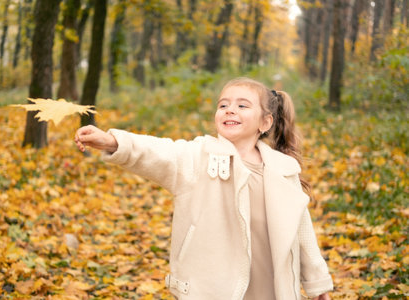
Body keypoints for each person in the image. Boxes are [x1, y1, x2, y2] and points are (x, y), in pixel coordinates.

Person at [74, 77, 333, 300]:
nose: (230, 110)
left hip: (271, 288)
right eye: (223, 105)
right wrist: (111, 141)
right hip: (212, 287)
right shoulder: (199, 157)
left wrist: (317, 282)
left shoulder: (283, 169)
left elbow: (301, 230)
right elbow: (159, 151)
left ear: (265, 123)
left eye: (242, 105)